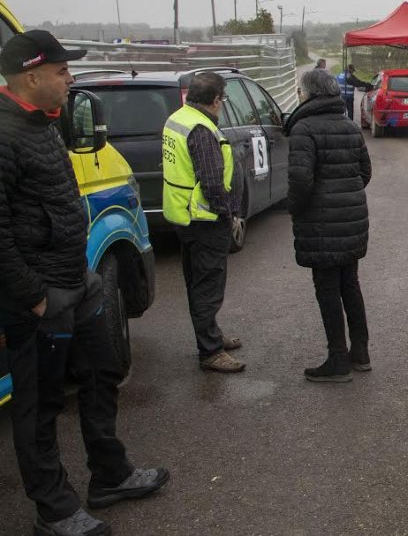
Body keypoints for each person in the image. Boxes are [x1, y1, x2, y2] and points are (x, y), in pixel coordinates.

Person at [1, 30, 169, 536]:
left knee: (102, 374)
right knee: (40, 406)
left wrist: (81, 277)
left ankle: (110, 475)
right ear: (31, 76)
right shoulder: (5, 135)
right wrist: (33, 296)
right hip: (39, 297)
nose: (69, 79)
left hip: (79, 279)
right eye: (61, 71)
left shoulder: (44, 124)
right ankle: (53, 509)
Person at [285, 69, 373, 382]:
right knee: (350, 283)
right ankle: (360, 352)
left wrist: (293, 208)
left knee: (327, 289)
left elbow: (300, 180)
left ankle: (337, 360)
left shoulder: (303, 129)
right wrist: (345, 194)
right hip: (351, 219)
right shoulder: (348, 125)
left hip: (321, 223)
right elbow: (365, 172)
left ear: (308, 94)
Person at [161, 71, 245, 373]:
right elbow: (212, 183)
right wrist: (229, 214)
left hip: (183, 216)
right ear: (214, 100)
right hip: (205, 219)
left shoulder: (178, 119)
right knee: (208, 285)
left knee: (198, 280)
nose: (222, 104)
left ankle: (212, 335)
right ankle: (210, 351)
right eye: (222, 99)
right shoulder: (201, 129)